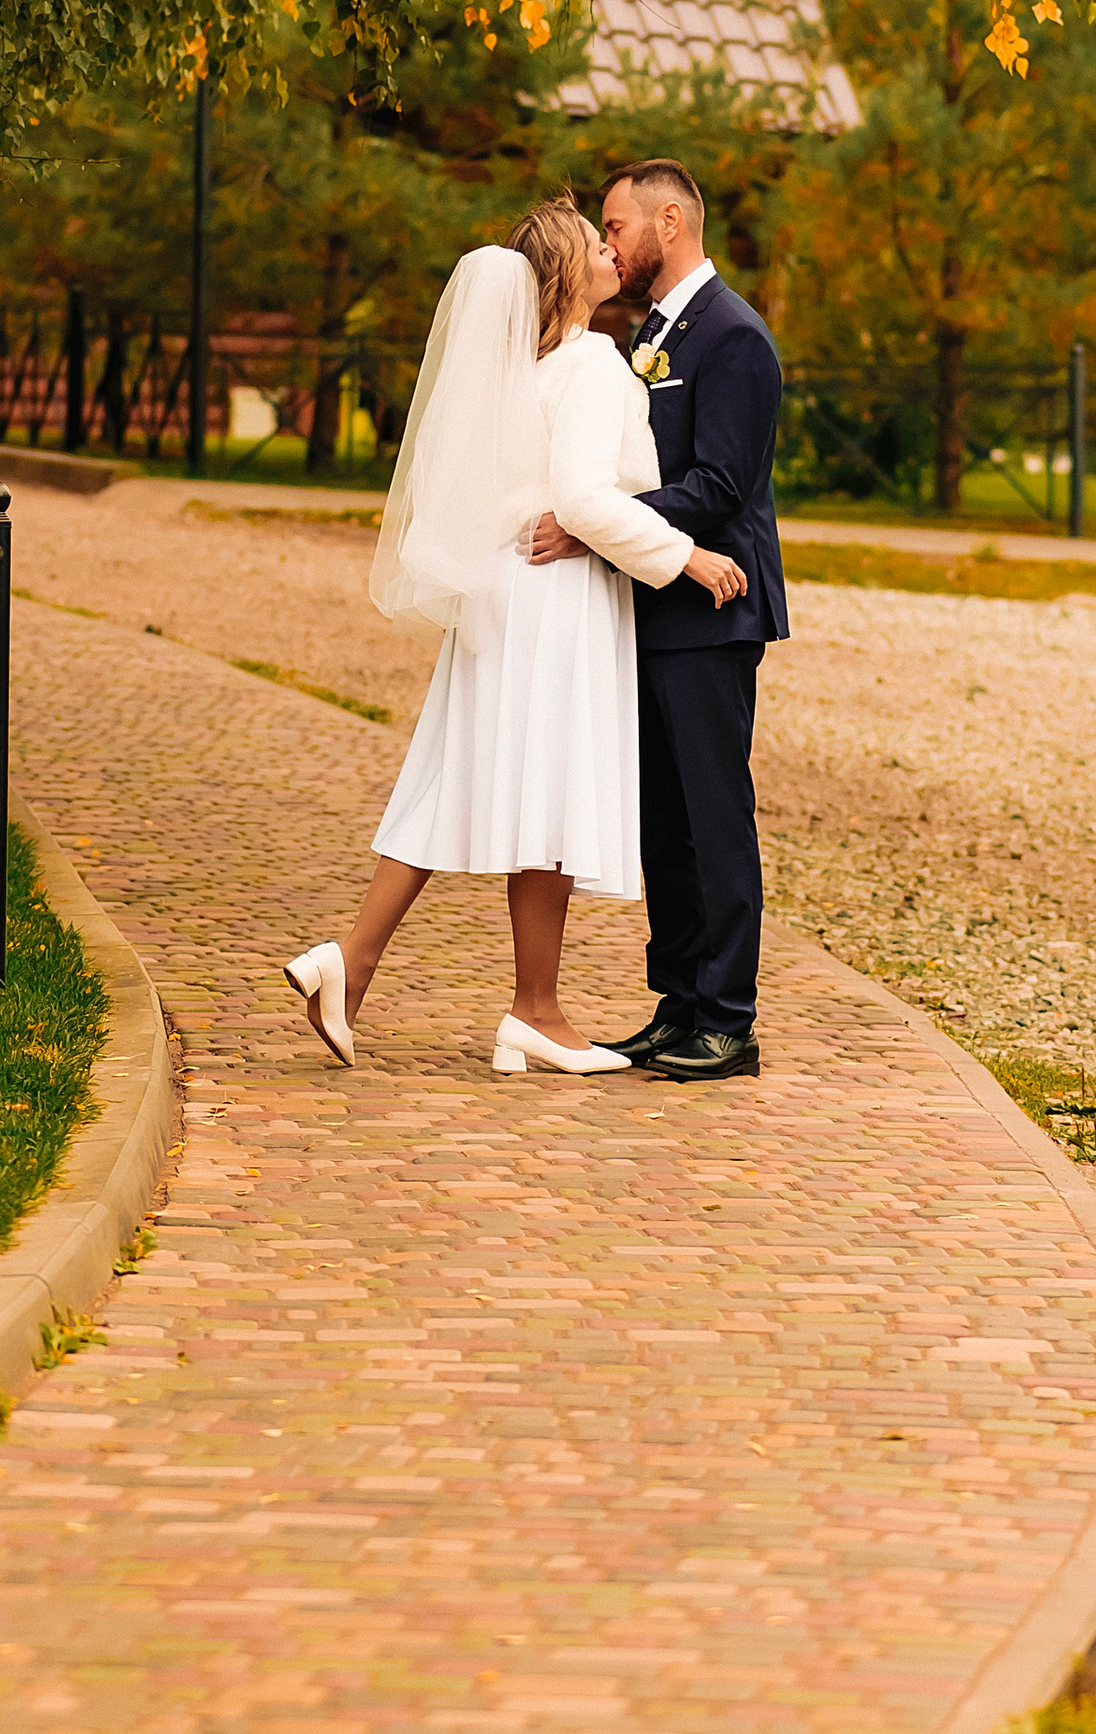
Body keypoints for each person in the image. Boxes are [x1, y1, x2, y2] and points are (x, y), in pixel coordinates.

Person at [279, 195, 750, 1077]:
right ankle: (531, 1007)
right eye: (594, 243)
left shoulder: (524, 370)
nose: (611, 250)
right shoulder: (596, 368)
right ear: (567, 275)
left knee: (461, 776)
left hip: (504, 597)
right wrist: (687, 558)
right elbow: (582, 498)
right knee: (550, 792)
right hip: (554, 603)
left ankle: (367, 963)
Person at [526, 160, 785, 1080]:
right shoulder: (649, 337)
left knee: (714, 817)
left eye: (617, 225)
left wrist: (597, 528)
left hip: (716, 609)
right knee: (662, 824)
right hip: (654, 606)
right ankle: (678, 1005)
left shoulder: (735, 337)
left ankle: (728, 1018)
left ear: (669, 221)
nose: (611, 243)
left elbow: (717, 487)